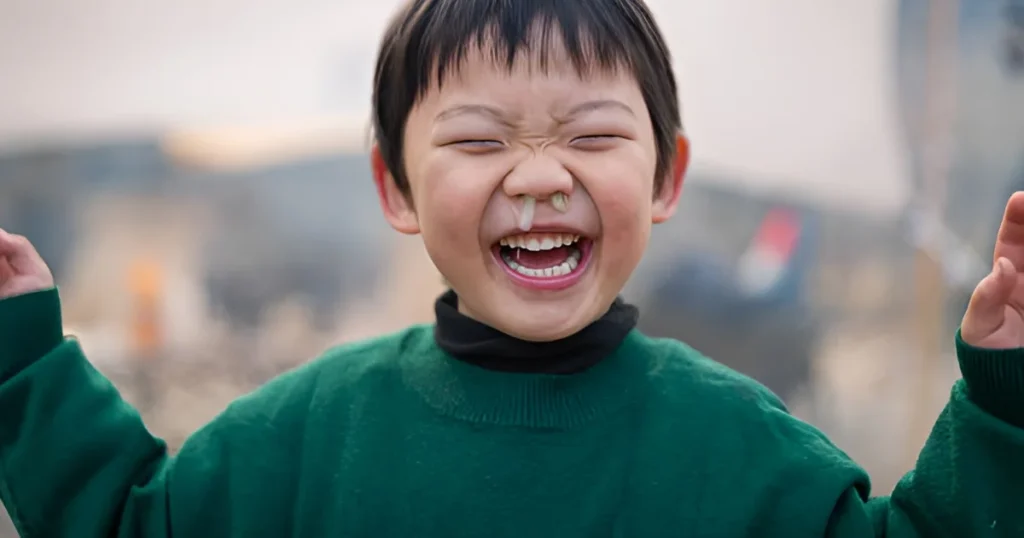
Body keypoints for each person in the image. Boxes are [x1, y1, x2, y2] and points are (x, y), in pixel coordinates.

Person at [0, 0, 1022, 535]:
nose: (538, 178)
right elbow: (128, 524)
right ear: (394, 187)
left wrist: (1004, 401)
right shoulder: (307, 434)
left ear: (665, 174)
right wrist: (23, 356)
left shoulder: (733, 446)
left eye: (589, 134)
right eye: (480, 142)